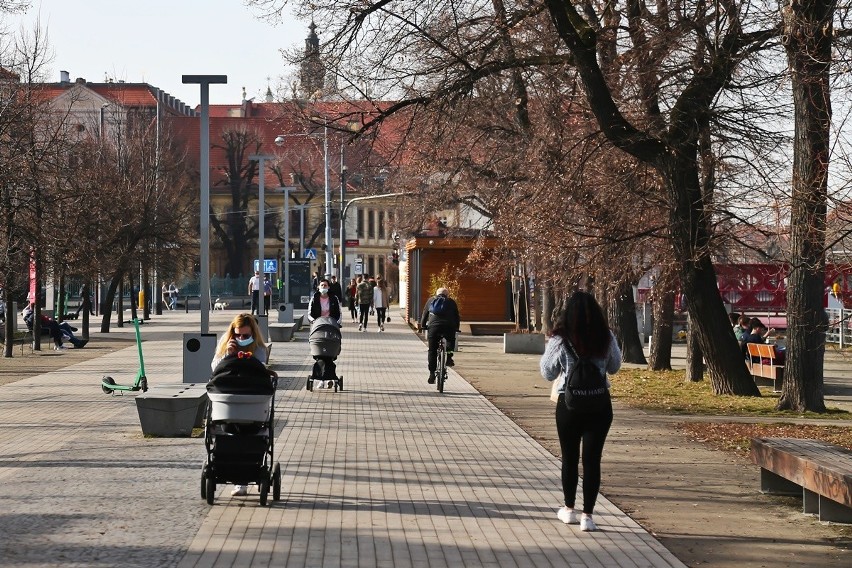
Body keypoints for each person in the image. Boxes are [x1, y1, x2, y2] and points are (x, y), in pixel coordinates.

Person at [539, 291, 621, 532]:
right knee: (592, 460)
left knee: (570, 458)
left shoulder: (561, 339)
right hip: (600, 405)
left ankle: (569, 509)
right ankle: (588, 516)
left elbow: (547, 372)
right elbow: (615, 367)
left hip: (569, 405)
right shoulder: (605, 337)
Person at [210, 312, 277, 495]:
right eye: (238, 334)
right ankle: (238, 480)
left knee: (254, 434)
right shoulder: (226, 342)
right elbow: (215, 368)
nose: (241, 338)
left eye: (245, 336)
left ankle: (252, 473)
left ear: (252, 334)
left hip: (251, 396)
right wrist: (229, 355)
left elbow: (260, 369)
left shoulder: (259, 348)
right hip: (229, 396)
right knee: (228, 431)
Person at [418, 287, 461, 383]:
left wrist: (423, 326)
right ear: (447, 295)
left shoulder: (431, 300)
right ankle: (449, 358)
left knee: (432, 350)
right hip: (448, 326)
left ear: (436, 294)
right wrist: (457, 328)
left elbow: (425, 314)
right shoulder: (451, 302)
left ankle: (432, 373)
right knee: (450, 340)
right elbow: (456, 316)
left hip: (434, 327)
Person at [307, 279, 342, 388]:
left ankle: (326, 378)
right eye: (322, 285)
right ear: (318, 287)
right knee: (320, 352)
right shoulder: (315, 298)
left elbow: (339, 313)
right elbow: (309, 313)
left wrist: (337, 323)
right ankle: (322, 379)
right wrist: (313, 321)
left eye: (325, 285)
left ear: (328, 287)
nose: (323, 287)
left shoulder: (333, 298)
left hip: (331, 327)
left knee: (330, 352)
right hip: (318, 328)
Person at [23, 303, 87, 350]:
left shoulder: (31, 313)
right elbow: (40, 325)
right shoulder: (33, 316)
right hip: (45, 329)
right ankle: (77, 342)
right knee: (61, 330)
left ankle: (76, 341)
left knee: (64, 324)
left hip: (48, 326)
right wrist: (48, 320)